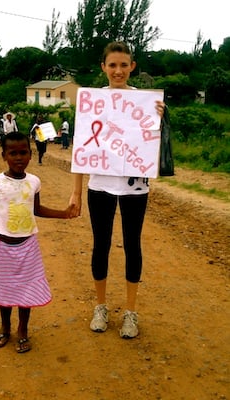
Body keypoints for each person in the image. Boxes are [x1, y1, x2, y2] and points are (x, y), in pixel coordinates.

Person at [69, 41, 166, 339]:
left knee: (132, 245)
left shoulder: (146, 101)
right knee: (101, 245)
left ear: (132, 67)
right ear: (103, 67)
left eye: (124, 65)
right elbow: (81, 147)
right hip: (99, 186)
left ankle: (130, 312)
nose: (118, 71)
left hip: (135, 189)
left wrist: (160, 119)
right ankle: (101, 306)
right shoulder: (92, 102)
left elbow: (151, 145)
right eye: (112, 65)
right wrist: (76, 192)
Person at [0, 132, 75, 353]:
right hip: (2, 247)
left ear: (31, 155)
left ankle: (22, 330)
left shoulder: (34, 182)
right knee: (4, 290)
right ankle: (5, 327)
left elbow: (37, 209)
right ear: (4, 156)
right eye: (13, 153)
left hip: (28, 247)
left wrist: (64, 214)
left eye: (23, 152)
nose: (19, 157)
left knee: (27, 290)